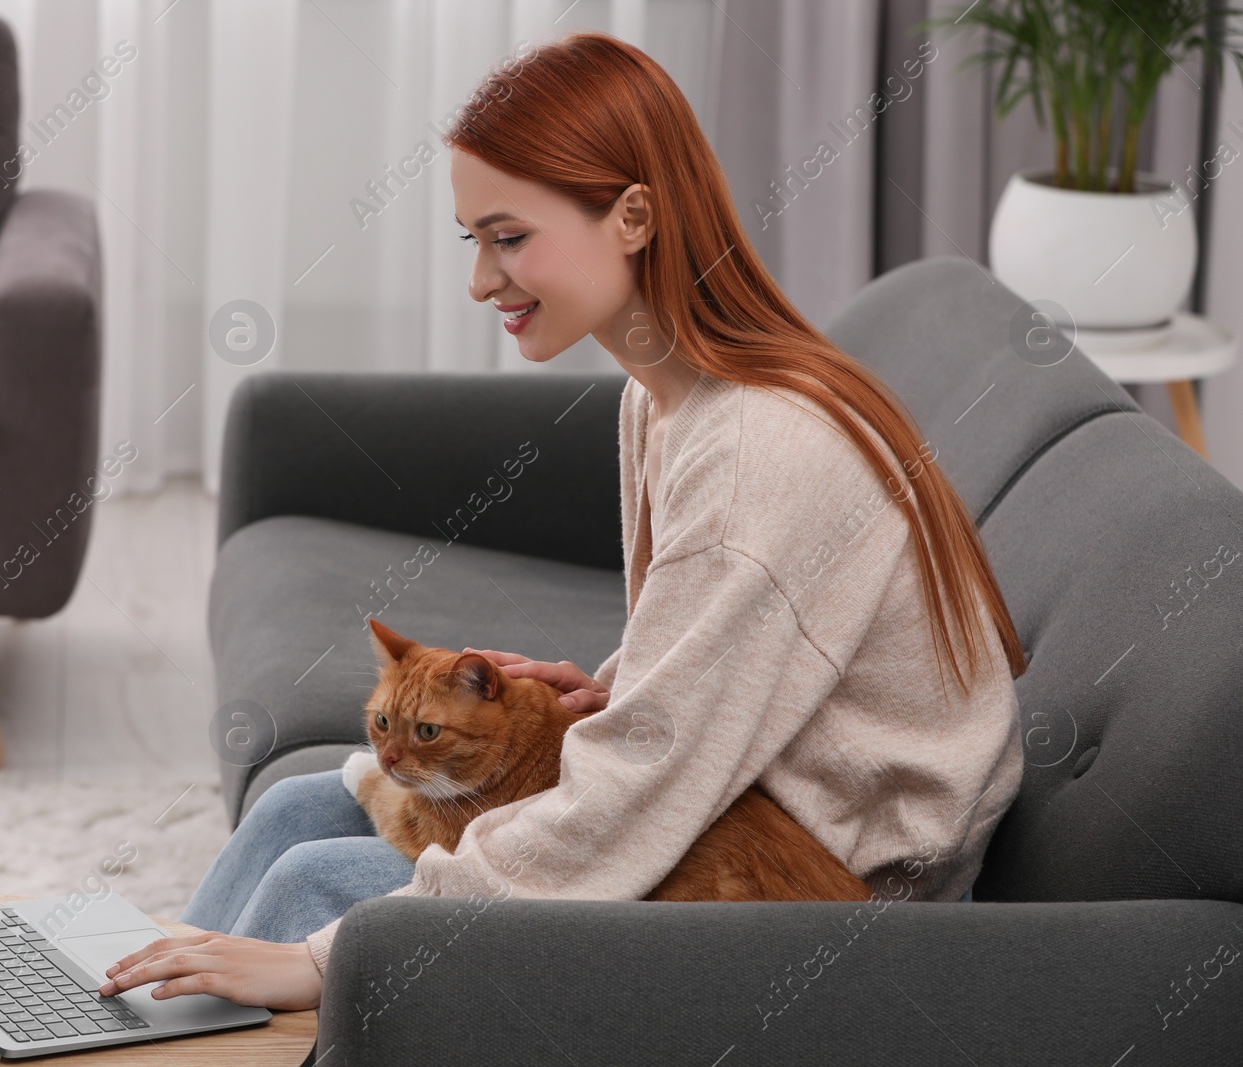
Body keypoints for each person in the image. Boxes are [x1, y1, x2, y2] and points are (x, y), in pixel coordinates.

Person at [96, 31, 1026, 1011]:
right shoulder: (663, 397)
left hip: (830, 894)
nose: (480, 281)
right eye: (473, 241)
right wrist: (621, 688)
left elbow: (645, 784)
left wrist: (320, 957)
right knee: (299, 806)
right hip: (743, 804)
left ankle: (169, 1025)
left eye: (509, 237)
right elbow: (744, 646)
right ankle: (115, 1013)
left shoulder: (756, 447)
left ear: (631, 217)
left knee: (318, 892)